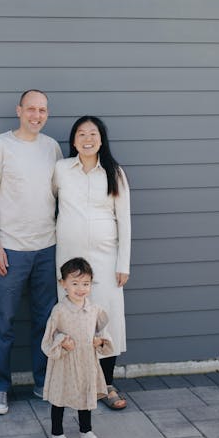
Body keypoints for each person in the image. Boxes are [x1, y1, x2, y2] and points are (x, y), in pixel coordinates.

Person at [0, 89, 63, 415]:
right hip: (10, 250)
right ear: (19, 111)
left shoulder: (52, 148)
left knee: (46, 321)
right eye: (31, 109)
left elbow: (61, 196)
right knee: (4, 321)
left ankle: (43, 381)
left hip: (48, 248)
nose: (37, 115)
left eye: (42, 110)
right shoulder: (0, 145)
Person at [54, 115, 131, 410]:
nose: (87, 138)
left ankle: (106, 384)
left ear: (101, 139)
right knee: (72, 320)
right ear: (73, 141)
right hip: (68, 262)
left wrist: (123, 263)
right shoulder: (61, 169)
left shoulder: (115, 172)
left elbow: (124, 220)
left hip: (106, 259)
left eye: (93, 133)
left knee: (105, 320)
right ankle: (77, 384)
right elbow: (48, 204)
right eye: (81, 133)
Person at [42, 257, 113, 438]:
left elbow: (103, 330)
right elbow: (49, 337)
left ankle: (86, 431)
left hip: (86, 362)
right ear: (63, 284)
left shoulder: (94, 310)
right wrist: (62, 340)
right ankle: (57, 435)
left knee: (85, 395)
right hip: (65, 363)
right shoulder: (59, 311)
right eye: (74, 283)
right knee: (59, 398)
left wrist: (100, 341)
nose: (80, 289)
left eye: (85, 284)